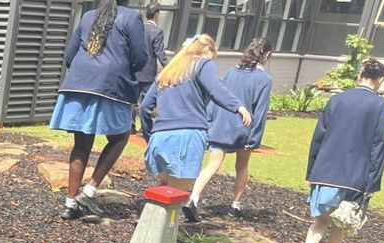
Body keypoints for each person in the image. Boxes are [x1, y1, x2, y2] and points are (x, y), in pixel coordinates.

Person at [293, 57, 384, 243]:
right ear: (380, 80)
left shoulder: (336, 100)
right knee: (341, 223)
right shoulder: (383, 107)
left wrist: (312, 170)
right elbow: (380, 146)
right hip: (356, 177)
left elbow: (319, 136)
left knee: (320, 220)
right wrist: (372, 182)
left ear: (360, 75)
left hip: (326, 170)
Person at [51, 0, 147, 220]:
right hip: (111, 85)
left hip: (79, 82)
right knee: (120, 137)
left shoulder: (88, 16)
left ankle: (70, 203)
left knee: (81, 144)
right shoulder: (131, 17)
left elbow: (69, 57)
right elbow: (140, 58)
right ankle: (89, 191)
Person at [140, 34, 251, 220]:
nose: (213, 60)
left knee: (164, 189)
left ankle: (149, 227)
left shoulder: (168, 71)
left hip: (160, 137)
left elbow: (145, 107)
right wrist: (238, 107)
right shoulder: (203, 64)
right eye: (214, 56)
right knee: (174, 199)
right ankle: (160, 231)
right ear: (208, 49)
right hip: (187, 136)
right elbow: (216, 89)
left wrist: (149, 136)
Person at [189, 37, 273, 221]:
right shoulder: (264, 79)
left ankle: (193, 198)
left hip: (221, 125)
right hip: (244, 127)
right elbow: (260, 111)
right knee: (242, 166)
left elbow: (216, 96)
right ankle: (235, 205)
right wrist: (254, 139)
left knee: (212, 164)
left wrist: (209, 122)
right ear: (267, 55)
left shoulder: (231, 72)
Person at [133, 2, 168, 132]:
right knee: (147, 102)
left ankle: (130, 125)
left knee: (132, 99)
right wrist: (169, 67)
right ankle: (144, 128)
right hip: (148, 73)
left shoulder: (138, 28)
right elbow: (160, 53)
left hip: (135, 70)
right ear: (157, 15)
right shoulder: (157, 31)